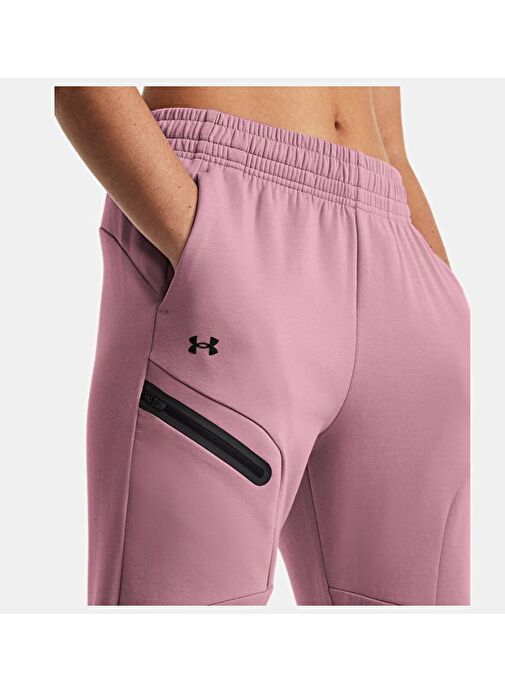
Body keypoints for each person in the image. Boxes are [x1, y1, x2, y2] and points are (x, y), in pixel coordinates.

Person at [55, 86, 469, 606]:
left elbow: (391, 134)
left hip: (400, 266)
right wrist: (201, 237)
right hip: (234, 211)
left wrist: (441, 289)